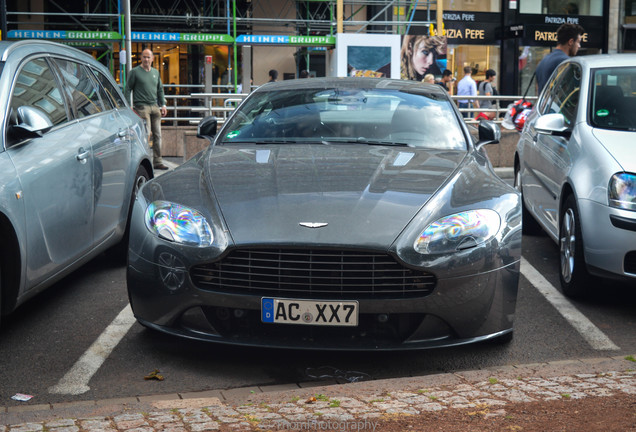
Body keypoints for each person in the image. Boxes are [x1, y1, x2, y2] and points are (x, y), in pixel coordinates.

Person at [125, 48, 169, 170]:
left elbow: (160, 89)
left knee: (158, 135)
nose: (146, 59)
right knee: (146, 135)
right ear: (141, 58)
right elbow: (128, 88)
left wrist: (163, 104)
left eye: (148, 57)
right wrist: (128, 105)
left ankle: (158, 161)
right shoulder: (135, 72)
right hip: (141, 107)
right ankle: (144, 162)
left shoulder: (155, 72)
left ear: (152, 59)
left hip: (155, 106)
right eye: (144, 57)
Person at [535, 23, 585, 93]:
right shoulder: (566, 62)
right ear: (570, 42)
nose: (579, 46)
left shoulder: (543, 61)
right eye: (578, 42)